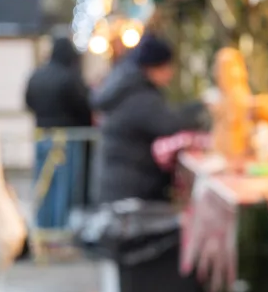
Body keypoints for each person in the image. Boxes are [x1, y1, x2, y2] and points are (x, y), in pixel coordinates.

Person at [92, 34, 204, 205]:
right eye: (168, 67)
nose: (171, 73)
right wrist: (202, 107)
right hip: (129, 191)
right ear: (154, 67)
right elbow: (169, 122)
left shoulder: (128, 86)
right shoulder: (140, 95)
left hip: (120, 184)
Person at [24, 37, 92, 131]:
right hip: (68, 132)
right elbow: (81, 104)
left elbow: (28, 102)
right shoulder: (68, 76)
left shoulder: (36, 75)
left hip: (42, 131)